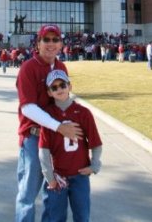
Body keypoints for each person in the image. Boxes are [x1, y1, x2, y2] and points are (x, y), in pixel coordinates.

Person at [15, 24, 83, 222]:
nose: (51, 44)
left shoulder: (61, 67)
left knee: (54, 191)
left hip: (56, 140)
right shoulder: (28, 67)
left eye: (55, 39)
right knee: (27, 194)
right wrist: (59, 127)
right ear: (38, 43)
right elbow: (27, 107)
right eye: (46, 39)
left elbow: (63, 99)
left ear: (61, 44)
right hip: (34, 137)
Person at [39, 69, 103, 222]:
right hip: (58, 176)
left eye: (62, 85)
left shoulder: (83, 112)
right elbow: (43, 149)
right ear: (49, 92)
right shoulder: (47, 115)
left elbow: (95, 142)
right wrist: (50, 177)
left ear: (70, 86)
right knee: (54, 217)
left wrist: (94, 165)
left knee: (82, 216)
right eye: (54, 87)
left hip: (79, 175)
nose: (59, 89)